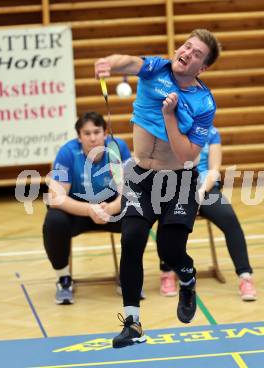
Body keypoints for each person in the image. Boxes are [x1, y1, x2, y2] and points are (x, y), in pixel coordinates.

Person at [94, 29, 221, 348]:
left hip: (179, 180)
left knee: (170, 249)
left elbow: (188, 154)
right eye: (187, 46)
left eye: (196, 54)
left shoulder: (203, 102)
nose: (187, 53)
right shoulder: (156, 68)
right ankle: (132, 323)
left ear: (201, 68)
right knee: (132, 237)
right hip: (140, 176)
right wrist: (108, 63)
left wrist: (168, 116)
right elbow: (129, 62)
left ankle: (188, 280)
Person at [159, 126, 257, 301]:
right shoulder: (170, 130)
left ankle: (245, 277)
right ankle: (167, 272)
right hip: (178, 189)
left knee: (230, 220)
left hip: (206, 190)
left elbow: (214, 170)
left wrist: (200, 192)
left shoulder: (210, 132)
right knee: (168, 219)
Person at [42, 111, 131, 305]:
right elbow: (55, 198)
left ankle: (128, 277)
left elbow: (128, 191)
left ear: (105, 133)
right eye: (87, 133)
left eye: (96, 132)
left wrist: (113, 208)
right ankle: (64, 279)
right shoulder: (68, 153)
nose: (92, 138)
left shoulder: (117, 149)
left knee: (137, 214)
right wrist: (89, 210)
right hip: (78, 213)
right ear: (79, 137)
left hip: (111, 210)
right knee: (54, 220)